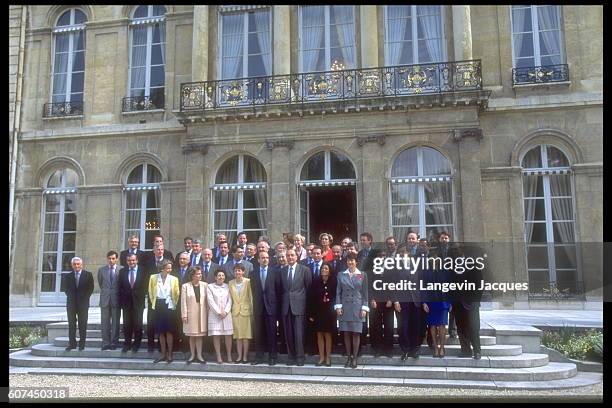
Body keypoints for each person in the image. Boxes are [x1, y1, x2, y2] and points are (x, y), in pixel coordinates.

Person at [335, 253, 369, 368]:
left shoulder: (362, 275)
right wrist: (338, 306)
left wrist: (364, 307)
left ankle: (355, 357)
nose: (350, 262)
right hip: (345, 307)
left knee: (355, 333)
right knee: (346, 333)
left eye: (352, 261)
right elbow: (338, 292)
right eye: (348, 261)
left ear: (356, 262)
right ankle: (348, 357)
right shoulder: (341, 275)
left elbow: (365, 293)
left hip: (357, 307)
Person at [280, 248, 312, 366]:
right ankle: (291, 356)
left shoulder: (305, 270)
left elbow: (308, 289)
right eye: (288, 256)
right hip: (286, 306)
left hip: (299, 306)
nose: (290, 257)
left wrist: (307, 307)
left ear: (296, 257)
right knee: (288, 333)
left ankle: (300, 357)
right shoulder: (282, 271)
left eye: (292, 255)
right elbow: (280, 289)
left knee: (299, 333)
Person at [250, 250, 280, 366]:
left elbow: (278, 290)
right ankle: (259, 356)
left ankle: (272, 357)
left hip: (271, 307)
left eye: (267, 257)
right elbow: (252, 290)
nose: (265, 259)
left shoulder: (275, 272)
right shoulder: (253, 273)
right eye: (262, 258)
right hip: (258, 307)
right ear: (258, 260)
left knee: (272, 333)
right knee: (259, 333)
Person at [148, 259, 180, 363]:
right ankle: (162, 353)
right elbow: (150, 291)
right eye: (168, 268)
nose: (170, 270)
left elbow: (176, 293)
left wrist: (174, 304)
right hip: (158, 305)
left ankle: (170, 354)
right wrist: (154, 302)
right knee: (160, 331)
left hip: (169, 306)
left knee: (169, 330)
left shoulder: (174, 279)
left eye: (171, 268)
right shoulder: (153, 277)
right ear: (162, 268)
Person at [144, 243, 173, 353]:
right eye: (158, 249)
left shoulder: (171, 271)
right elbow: (149, 285)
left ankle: (167, 350)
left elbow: (174, 289)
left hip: (168, 303)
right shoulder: (151, 269)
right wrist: (151, 300)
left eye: (162, 249)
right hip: (156, 301)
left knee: (168, 328)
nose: (160, 251)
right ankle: (156, 347)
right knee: (156, 326)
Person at [61, 257, 94, 351]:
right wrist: (72, 298)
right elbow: (65, 289)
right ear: (72, 265)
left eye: (78, 264)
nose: (76, 266)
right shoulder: (68, 276)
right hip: (71, 304)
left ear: (81, 265)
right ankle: (72, 344)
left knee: (82, 324)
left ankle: (82, 344)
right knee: (71, 324)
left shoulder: (88, 275)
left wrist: (84, 298)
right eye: (74, 264)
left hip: (83, 304)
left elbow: (90, 288)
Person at [307, 262, 336, 366]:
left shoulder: (334, 282)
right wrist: (311, 314)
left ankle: (328, 357)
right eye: (322, 268)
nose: (324, 270)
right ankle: (321, 357)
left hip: (329, 312)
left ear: (330, 270)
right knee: (319, 334)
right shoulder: (315, 281)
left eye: (326, 268)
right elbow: (310, 298)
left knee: (327, 334)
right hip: (318, 312)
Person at [119, 253, 147, 353]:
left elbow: (146, 285)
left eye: (133, 260)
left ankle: (137, 343)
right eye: (129, 261)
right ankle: (127, 343)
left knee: (138, 324)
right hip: (126, 302)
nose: (131, 262)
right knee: (127, 324)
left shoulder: (143, 271)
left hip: (138, 302)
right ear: (126, 262)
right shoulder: (122, 271)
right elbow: (120, 287)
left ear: (137, 260)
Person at [181, 266, 208, 364]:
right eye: (197, 274)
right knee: (192, 335)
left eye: (200, 274)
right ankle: (192, 355)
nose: (199, 275)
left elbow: (207, 301)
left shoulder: (205, 285)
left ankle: (200, 355)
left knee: (199, 336)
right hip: (190, 313)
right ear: (192, 275)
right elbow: (183, 302)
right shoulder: (185, 286)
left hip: (202, 313)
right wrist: (184, 314)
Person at [207, 269, 233, 364]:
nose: (221, 277)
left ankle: (229, 355)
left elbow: (230, 300)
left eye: (222, 275)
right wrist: (218, 312)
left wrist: (225, 312)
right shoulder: (210, 287)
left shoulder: (228, 286)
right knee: (216, 335)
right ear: (215, 277)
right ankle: (218, 356)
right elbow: (210, 301)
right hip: (215, 315)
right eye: (219, 275)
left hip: (226, 315)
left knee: (228, 335)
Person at [229, 263, 253, 363]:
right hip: (235, 312)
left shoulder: (248, 282)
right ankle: (239, 356)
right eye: (236, 270)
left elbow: (251, 297)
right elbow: (229, 298)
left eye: (239, 270)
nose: (237, 272)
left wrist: (252, 311)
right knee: (238, 336)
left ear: (243, 272)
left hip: (246, 311)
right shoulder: (230, 283)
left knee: (246, 336)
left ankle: (245, 356)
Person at [98, 250, 122, 350]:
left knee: (116, 322)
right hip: (105, 299)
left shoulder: (121, 270)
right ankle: (105, 342)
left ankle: (114, 342)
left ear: (116, 259)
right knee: (105, 322)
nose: (111, 260)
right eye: (109, 259)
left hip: (116, 299)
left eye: (113, 258)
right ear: (107, 259)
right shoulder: (101, 270)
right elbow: (100, 283)